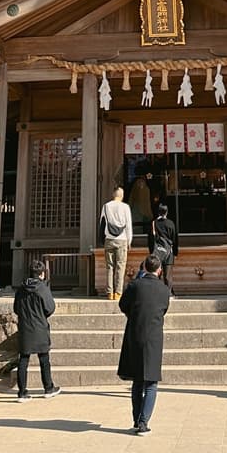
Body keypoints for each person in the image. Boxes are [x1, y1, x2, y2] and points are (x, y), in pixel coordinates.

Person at [117, 252, 170, 435]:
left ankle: (136, 419)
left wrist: (134, 314)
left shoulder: (134, 285)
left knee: (137, 380)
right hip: (154, 336)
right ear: (160, 270)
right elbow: (163, 310)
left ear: (144, 268)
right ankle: (143, 422)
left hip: (135, 333)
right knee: (151, 382)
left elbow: (123, 305)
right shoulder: (164, 290)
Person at [13, 258, 61, 402]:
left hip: (25, 326)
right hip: (39, 326)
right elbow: (50, 308)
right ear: (41, 274)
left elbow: (16, 308)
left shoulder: (21, 288)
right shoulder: (42, 288)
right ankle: (48, 387)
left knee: (23, 359)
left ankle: (22, 392)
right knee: (44, 358)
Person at [100, 185, 133, 300]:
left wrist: (102, 239)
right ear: (122, 196)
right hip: (122, 239)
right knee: (120, 266)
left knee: (109, 266)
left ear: (113, 195)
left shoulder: (106, 206)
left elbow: (102, 223)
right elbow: (128, 225)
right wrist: (129, 240)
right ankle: (118, 292)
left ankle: (109, 292)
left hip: (109, 239)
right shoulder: (125, 207)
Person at [147, 202, 179, 294]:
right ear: (166, 212)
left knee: (156, 275)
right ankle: (168, 294)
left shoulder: (154, 223)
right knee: (167, 276)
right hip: (169, 253)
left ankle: (156, 293)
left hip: (157, 252)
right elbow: (175, 239)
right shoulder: (171, 224)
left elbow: (150, 239)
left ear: (158, 212)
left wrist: (151, 252)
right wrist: (175, 252)